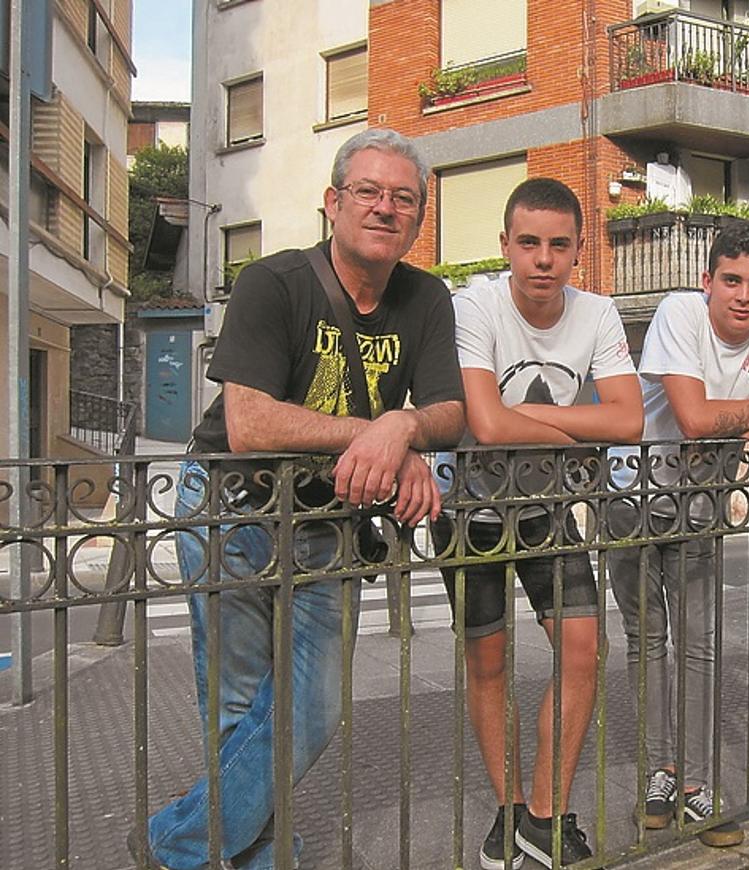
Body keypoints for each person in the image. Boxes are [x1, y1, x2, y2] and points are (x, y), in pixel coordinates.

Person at [131, 128, 466, 870]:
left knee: (311, 707)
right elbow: (250, 424)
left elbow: (451, 410)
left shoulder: (426, 297)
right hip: (231, 507)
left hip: (326, 524)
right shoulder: (272, 282)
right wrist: (378, 439)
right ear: (333, 203)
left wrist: (405, 426)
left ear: (418, 217)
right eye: (369, 192)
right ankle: (252, 850)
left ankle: (174, 842)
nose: (385, 208)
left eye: (403, 198)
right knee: (240, 703)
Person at [432, 177, 642, 869]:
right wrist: (579, 432)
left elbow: (630, 420)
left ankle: (545, 819)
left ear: (579, 250)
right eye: (529, 243)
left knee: (583, 649)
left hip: (546, 510)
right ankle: (508, 812)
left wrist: (527, 425)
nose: (543, 259)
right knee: (488, 665)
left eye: (558, 245)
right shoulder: (475, 304)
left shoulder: (599, 313)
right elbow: (483, 425)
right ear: (505, 246)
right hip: (470, 511)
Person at [606, 221, 749, 846]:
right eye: (731, 280)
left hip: (698, 504)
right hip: (630, 495)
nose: (744, 296)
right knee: (646, 640)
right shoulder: (678, 312)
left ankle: (700, 786)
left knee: (701, 644)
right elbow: (693, 417)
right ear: (707, 280)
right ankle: (659, 772)